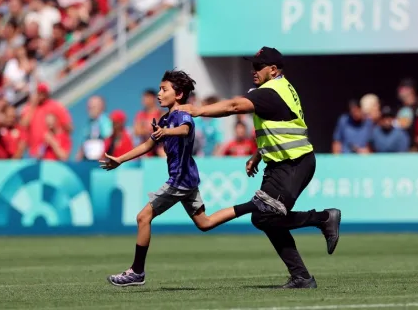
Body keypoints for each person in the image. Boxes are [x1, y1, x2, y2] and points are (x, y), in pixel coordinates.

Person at [179, 47, 341, 289]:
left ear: (273, 70)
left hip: (294, 163)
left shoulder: (271, 92)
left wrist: (197, 110)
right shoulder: (279, 89)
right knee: (265, 219)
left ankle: (324, 218)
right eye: (252, 65)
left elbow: (233, 106)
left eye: (258, 66)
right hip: (282, 162)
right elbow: (283, 124)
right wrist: (258, 153)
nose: (252, 70)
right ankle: (302, 277)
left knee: (264, 211)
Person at [100, 70, 247, 287]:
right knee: (204, 223)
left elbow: (185, 129)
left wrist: (167, 133)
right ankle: (253, 205)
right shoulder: (166, 119)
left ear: (178, 94)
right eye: (159, 89)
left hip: (179, 180)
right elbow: (148, 145)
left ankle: (137, 272)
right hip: (188, 179)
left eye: (164, 89)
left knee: (143, 218)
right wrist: (120, 159)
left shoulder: (181, 115)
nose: (159, 94)